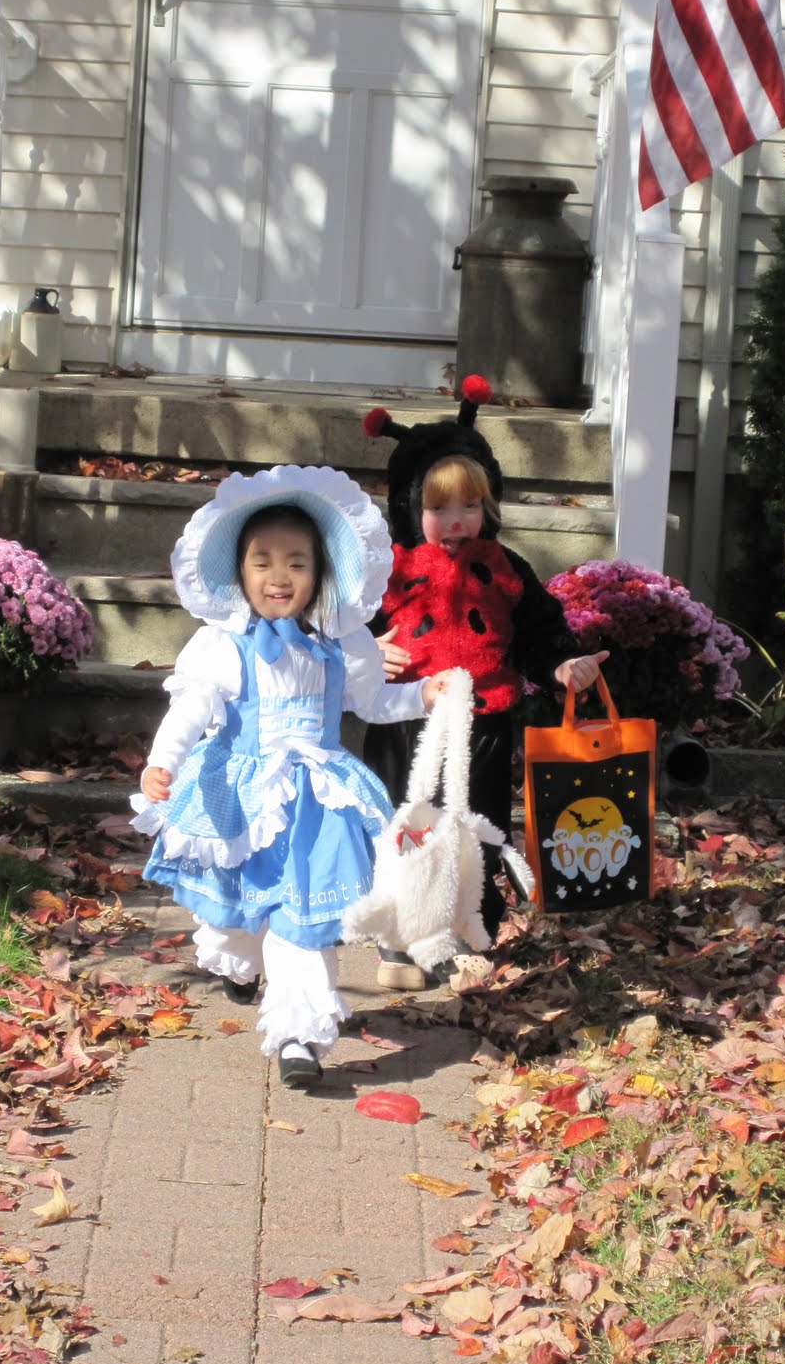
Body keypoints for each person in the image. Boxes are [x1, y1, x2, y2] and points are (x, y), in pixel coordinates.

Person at [132, 465, 447, 1090]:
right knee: (237, 909)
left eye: (297, 563)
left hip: (319, 801)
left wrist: (421, 696)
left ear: (321, 574)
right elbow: (191, 707)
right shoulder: (223, 646)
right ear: (239, 572)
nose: (279, 577)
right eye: (263, 562)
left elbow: (372, 704)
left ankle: (298, 1034)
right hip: (239, 793)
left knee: (301, 915)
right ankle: (240, 963)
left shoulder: (344, 643)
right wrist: (163, 760)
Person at [361, 375, 607, 990]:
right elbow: (341, 632)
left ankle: (468, 930)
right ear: (410, 506)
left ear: (489, 505)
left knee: (476, 826)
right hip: (408, 720)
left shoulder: (506, 568)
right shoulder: (386, 572)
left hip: (487, 722)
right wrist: (365, 653)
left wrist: (561, 667)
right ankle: (400, 938)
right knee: (409, 824)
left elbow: (539, 631)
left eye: (469, 507)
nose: (456, 522)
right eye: (438, 508)